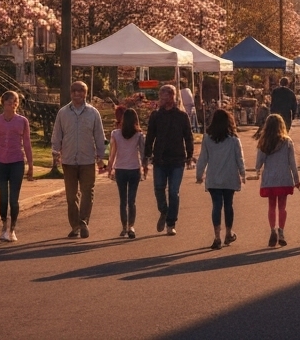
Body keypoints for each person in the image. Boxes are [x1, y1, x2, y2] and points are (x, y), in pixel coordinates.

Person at [52, 81, 106, 238]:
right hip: (68, 160)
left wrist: (100, 157)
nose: (77, 94)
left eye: (81, 91)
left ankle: (83, 222)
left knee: (87, 192)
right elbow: (57, 134)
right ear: (70, 93)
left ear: (86, 93)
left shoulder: (93, 113)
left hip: (88, 159)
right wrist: (55, 152)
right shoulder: (63, 113)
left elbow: (99, 135)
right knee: (71, 196)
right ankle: (75, 225)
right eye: (74, 91)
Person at [145, 84, 194, 235]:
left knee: (173, 191)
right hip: (159, 159)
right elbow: (150, 136)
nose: (163, 99)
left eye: (166, 96)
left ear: (173, 97)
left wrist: (189, 155)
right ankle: (164, 211)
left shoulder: (181, 116)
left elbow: (188, 137)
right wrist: (147, 155)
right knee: (159, 188)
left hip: (177, 159)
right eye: (161, 96)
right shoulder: (156, 116)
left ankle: (171, 223)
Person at [194, 108, 245, 251]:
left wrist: (199, 175)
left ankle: (217, 237)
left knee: (216, 205)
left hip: (213, 178)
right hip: (230, 178)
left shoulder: (207, 139)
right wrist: (242, 173)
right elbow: (239, 158)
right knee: (228, 205)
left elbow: (203, 159)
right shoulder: (234, 140)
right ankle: (228, 233)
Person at [0, 91, 33, 241]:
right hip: (0, 162)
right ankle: (4, 225)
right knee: (3, 198)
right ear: (3, 103)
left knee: (14, 199)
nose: (12, 105)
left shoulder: (22, 121)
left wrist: (31, 165)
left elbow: (27, 143)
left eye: (15, 102)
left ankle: (12, 229)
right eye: (8, 102)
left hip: (17, 161)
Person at [255, 113, 300, 247]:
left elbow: (258, 163)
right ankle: (281, 231)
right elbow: (292, 163)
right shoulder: (287, 142)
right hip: (284, 178)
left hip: (270, 180)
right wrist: (296, 180)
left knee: (271, 206)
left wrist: (257, 170)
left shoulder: (263, 142)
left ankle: (272, 230)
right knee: (282, 207)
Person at [105, 108, 146, 239]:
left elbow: (112, 153)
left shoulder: (115, 134)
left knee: (123, 200)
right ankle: (131, 226)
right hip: (134, 169)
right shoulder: (139, 135)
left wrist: (109, 168)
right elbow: (143, 153)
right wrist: (145, 168)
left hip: (120, 170)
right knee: (132, 200)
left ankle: (124, 227)